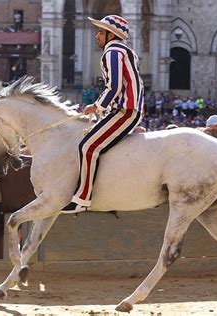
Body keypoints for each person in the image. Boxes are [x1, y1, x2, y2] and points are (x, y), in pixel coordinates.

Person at [62, 15, 143, 213]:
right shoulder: (124, 51)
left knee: (87, 146)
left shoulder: (112, 52)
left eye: (100, 31)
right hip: (126, 108)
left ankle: (82, 199)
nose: (96, 35)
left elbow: (114, 86)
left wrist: (97, 106)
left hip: (125, 111)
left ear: (110, 35)